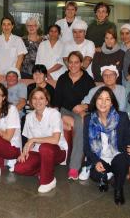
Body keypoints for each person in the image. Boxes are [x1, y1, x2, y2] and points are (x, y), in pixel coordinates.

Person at [14, 87, 68, 193]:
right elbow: (30, 141)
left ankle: (48, 180)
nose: (38, 101)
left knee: (45, 147)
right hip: (38, 151)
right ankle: (43, 170)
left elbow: (55, 140)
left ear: (46, 101)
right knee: (19, 168)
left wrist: (34, 140)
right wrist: (25, 152)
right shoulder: (29, 117)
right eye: (34, 98)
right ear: (30, 101)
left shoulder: (54, 113)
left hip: (57, 151)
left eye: (41, 98)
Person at [83, 86, 130, 205]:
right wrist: (96, 161)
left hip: (117, 155)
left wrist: (129, 163)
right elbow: (87, 146)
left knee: (121, 162)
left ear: (112, 102)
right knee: (94, 175)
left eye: (107, 99)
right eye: (100, 98)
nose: (103, 102)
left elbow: (127, 142)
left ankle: (118, 189)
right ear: (95, 101)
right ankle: (110, 175)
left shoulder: (122, 117)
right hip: (101, 157)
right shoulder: (89, 119)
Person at [53, 51, 95, 180]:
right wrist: (56, 116)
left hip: (80, 112)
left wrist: (84, 107)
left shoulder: (88, 80)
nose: (73, 65)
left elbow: (93, 102)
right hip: (64, 110)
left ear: (81, 63)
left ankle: (74, 168)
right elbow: (56, 100)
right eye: (70, 62)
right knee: (75, 124)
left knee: (80, 125)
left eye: (76, 62)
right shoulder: (62, 78)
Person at [0, 16, 27, 81]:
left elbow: (20, 58)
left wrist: (14, 74)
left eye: (8, 24)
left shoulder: (18, 40)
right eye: (4, 24)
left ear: (12, 26)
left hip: (14, 76)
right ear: (1, 26)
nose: (6, 27)